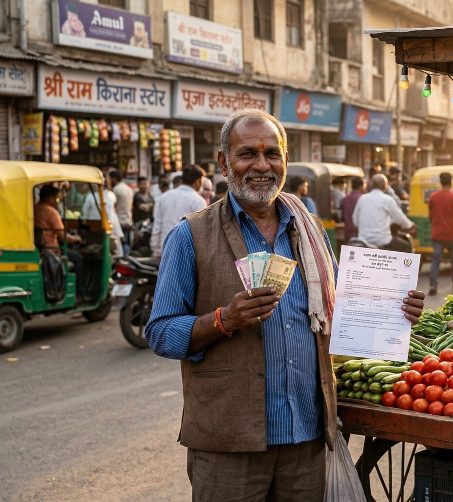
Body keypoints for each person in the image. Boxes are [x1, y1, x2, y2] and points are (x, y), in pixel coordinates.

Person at [145, 109, 425, 498]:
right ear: (224, 162)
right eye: (247, 154)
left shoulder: (308, 228)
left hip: (306, 439)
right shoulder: (190, 235)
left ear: (285, 160)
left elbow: (343, 310)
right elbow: (159, 332)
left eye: (272, 154)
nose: (262, 165)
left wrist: (396, 308)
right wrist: (225, 319)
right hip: (230, 445)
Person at [34, 185, 85, 297]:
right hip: (51, 251)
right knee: (78, 258)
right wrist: (77, 239)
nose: (58, 200)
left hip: (39, 249)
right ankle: (79, 293)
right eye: (57, 198)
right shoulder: (51, 212)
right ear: (50, 198)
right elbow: (63, 236)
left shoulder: (34, 208)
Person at [151, 165, 207, 257]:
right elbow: (200, 232)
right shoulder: (198, 201)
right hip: (186, 253)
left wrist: (155, 250)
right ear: (197, 182)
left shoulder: (164, 197)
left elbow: (157, 225)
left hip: (165, 250)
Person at [353, 174, 415, 251]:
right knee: (406, 246)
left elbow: (355, 221)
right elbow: (400, 218)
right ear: (385, 186)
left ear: (371, 185)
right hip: (383, 241)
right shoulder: (387, 200)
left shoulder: (362, 198)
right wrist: (410, 225)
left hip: (363, 240)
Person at [427, 172, 453, 296]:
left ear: (440, 181)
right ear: (451, 181)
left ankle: (433, 285)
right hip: (451, 235)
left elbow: (430, 216)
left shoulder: (433, 196)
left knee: (436, 260)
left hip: (437, 235)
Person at [83, 181, 124, 256]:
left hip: (101, 228)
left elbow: (85, 213)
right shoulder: (110, 195)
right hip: (104, 227)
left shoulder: (92, 196)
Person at [109, 170, 134, 255]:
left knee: (120, 244)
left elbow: (113, 206)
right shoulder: (128, 189)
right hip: (128, 220)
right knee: (126, 242)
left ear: (114, 178)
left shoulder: (116, 189)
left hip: (119, 221)